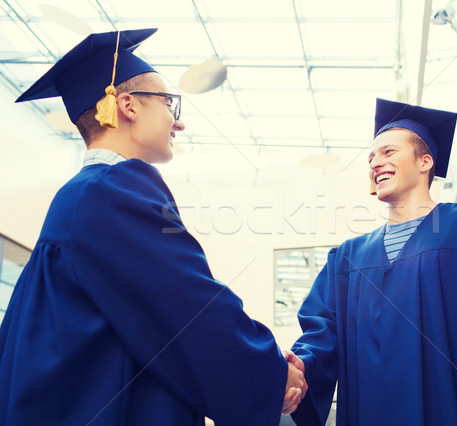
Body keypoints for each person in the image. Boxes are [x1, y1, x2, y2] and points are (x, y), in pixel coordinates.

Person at [0, 28, 306, 425]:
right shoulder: (115, 189)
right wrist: (269, 370)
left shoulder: (79, 195)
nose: (179, 124)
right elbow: (186, 306)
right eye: (170, 105)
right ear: (127, 105)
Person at [285, 98, 457, 425]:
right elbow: (322, 333)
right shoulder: (347, 258)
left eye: (388, 152)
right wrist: (297, 371)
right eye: (371, 157)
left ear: (424, 161)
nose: (375, 163)